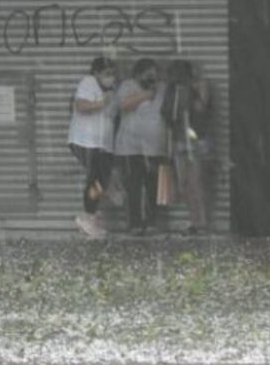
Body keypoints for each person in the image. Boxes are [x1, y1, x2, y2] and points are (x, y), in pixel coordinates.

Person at [114, 58, 167, 236]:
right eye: (148, 74)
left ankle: (152, 222)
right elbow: (123, 106)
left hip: (155, 148)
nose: (152, 78)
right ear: (137, 74)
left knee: (154, 187)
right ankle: (134, 224)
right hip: (129, 148)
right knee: (133, 187)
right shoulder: (127, 86)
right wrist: (146, 94)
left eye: (155, 74)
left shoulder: (162, 88)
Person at [162, 60, 214, 233]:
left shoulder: (198, 87)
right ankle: (195, 219)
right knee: (185, 183)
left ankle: (200, 222)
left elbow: (201, 108)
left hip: (196, 140)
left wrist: (196, 91)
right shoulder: (171, 92)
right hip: (179, 140)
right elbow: (168, 116)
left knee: (196, 182)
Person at [67, 57, 118, 239]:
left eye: (112, 73)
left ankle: (91, 217)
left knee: (100, 180)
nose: (110, 77)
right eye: (106, 74)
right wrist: (101, 103)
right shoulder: (88, 82)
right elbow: (80, 106)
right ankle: (87, 217)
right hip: (85, 141)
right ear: (96, 73)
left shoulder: (111, 90)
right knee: (95, 179)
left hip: (102, 144)